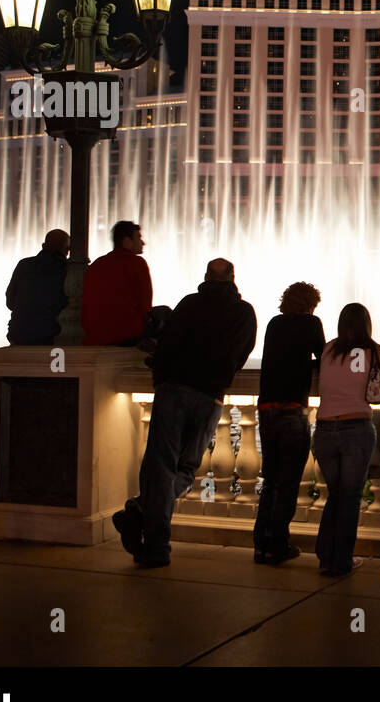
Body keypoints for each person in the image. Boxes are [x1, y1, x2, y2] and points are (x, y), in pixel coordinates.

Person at [113, 259, 256, 567]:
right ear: (233, 277)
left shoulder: (189, 305)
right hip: (208, 396)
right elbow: (239, 356)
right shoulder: (244, 313)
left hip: (173, 390)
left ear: (205, 277)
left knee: (161, 466)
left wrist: (162, 377)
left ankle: (147, 525)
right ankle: (148, 531)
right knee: (185, 471)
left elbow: (167, 345)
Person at [252, 282, 325, 565]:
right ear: (310, 304)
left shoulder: (274, 323)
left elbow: (276, 359)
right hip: (293, 407)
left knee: (270, 479)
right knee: (289, 480)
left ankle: (261, 543)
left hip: (267, 405)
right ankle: (278, 543)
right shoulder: (310, 323)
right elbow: (322, 357)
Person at [314, 303, 380, 576]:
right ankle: (341, 560)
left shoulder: (328, 349)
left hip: (324, 429)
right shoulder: (374, 351)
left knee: (337, 494)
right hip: (356, 427)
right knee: (350, 496)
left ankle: (325, 557)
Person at [81, 221, 153, 346]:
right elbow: (145, 304)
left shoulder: (97, 264)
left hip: (95, 336)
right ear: (127, 241)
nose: (143, 243)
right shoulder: (137, 263)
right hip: (126, 335)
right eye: (138, 237)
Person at [5, 229, 70, 345]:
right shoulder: (68, 269)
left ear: (43, 246)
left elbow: (10, 302)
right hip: (53, 336)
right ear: (67, 250)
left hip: (18, 334)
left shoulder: (24, 265)